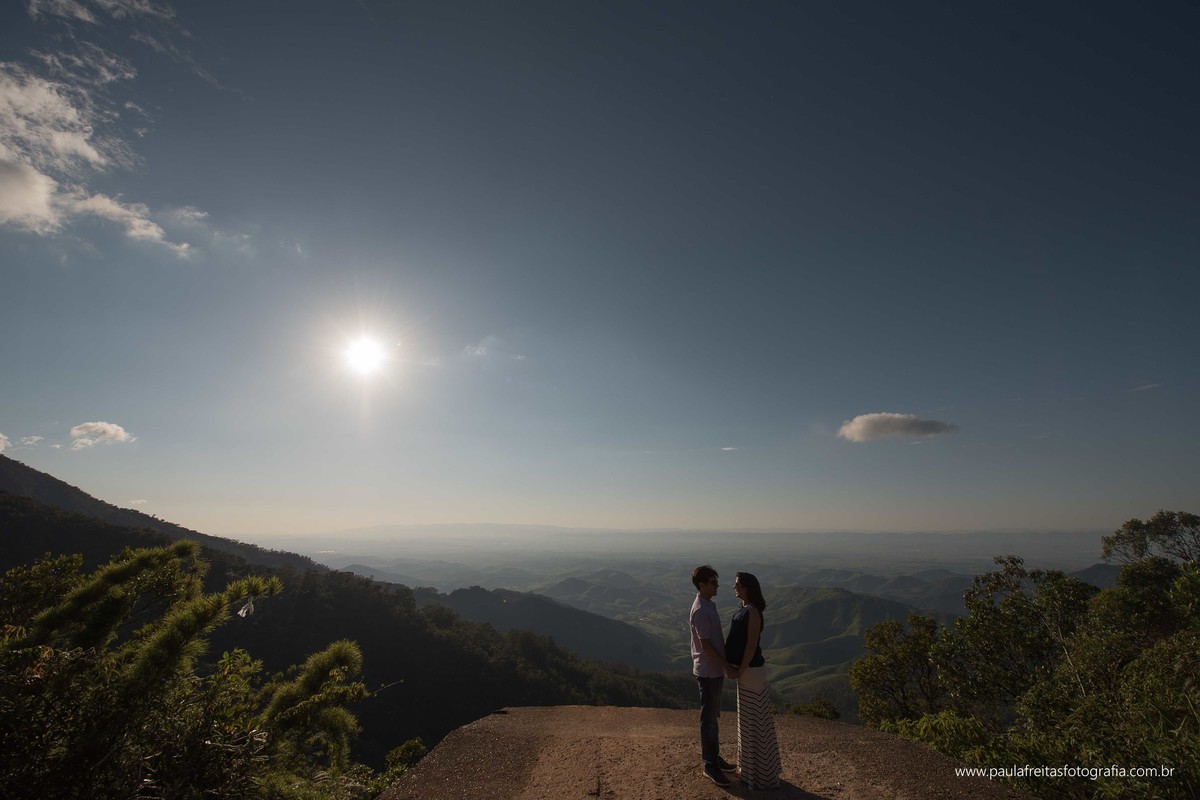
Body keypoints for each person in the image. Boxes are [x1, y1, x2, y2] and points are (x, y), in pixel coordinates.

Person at [725, 571, 781, 790]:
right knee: (749, 722)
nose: (734, 587)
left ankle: (761, 774)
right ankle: (750, 769)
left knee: (755, 721)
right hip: (747, 671)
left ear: (747, 587)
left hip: (751, 672)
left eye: (737, 584)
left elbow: (751, 644)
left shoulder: (754, 612)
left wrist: (741, 669)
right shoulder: (747, 609)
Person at [689, 565, 738, 787]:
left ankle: (714, 757)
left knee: (712, 719)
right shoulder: (701, 610)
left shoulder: (708, 604)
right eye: (713, 582)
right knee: (708, 720)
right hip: (708, 671)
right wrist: (727, 666)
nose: (717, 585)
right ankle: (710, 765)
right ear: (702, 585)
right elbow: (707, 646)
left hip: (713, 670)